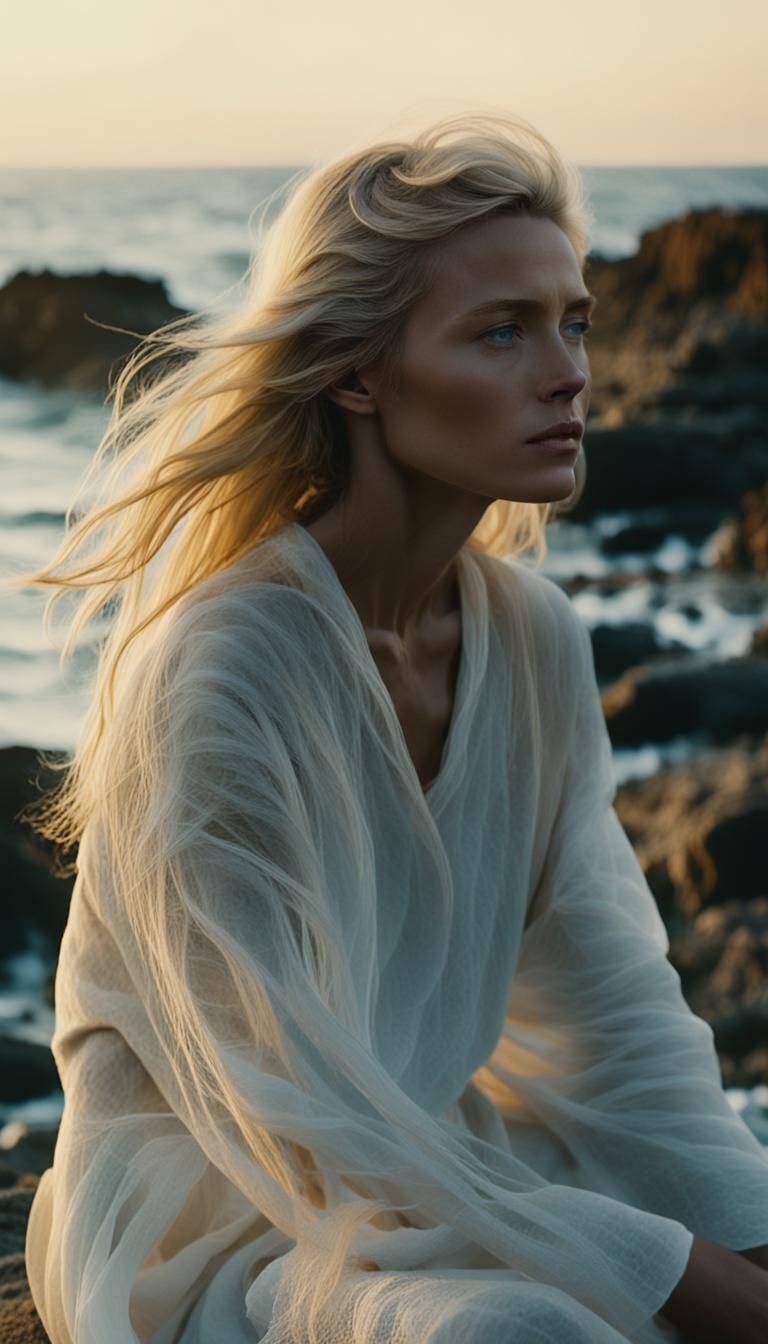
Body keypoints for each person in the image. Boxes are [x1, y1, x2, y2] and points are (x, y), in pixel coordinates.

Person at [14, 111, 768, 1343]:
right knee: (520, 1334)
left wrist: (742, 1231)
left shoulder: (534, 636)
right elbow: (289, 1113)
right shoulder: (218, 673)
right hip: (222, 1219)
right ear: (357, 373)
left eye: (574, 322)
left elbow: (614, 1010)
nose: (569, 372)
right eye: (502, 331)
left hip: (425, 1166)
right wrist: (667, 1266)